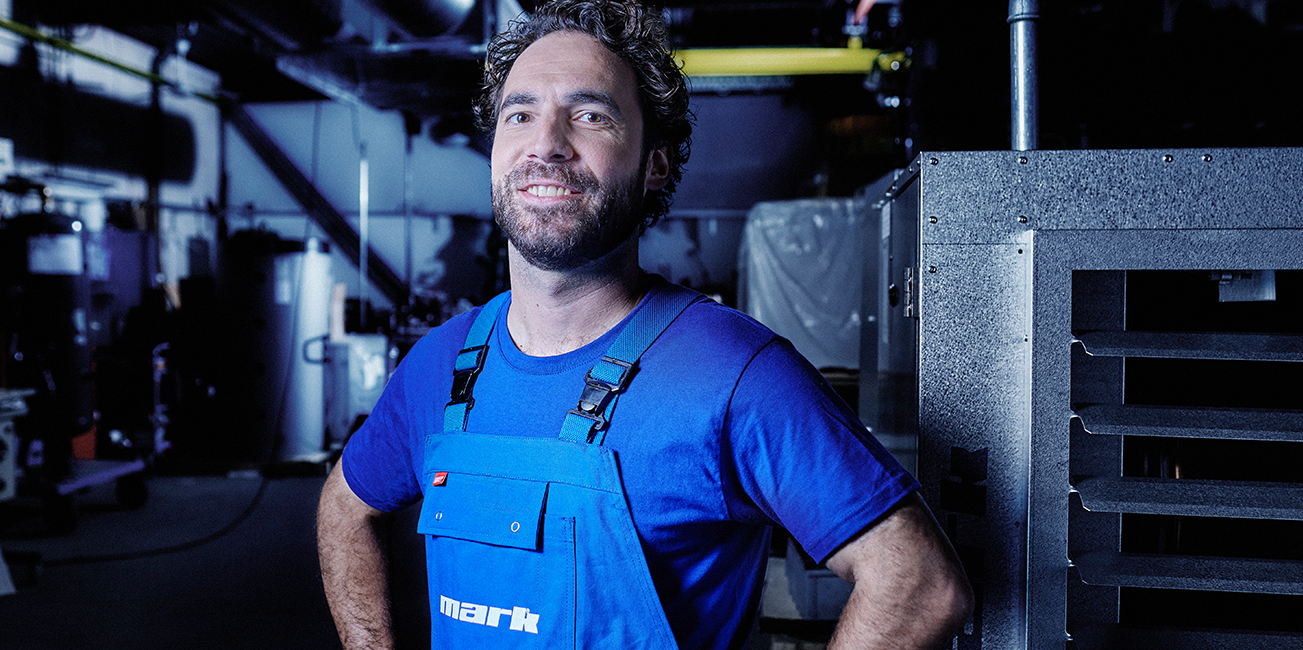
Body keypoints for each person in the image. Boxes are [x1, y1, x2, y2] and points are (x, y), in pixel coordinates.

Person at [317, 1, 972, 648]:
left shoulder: (736, 376)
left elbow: (919, 584)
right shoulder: (439, 365)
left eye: (590, 115)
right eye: (520, 115)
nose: (546, 143)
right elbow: (344, 507)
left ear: (655, 162)